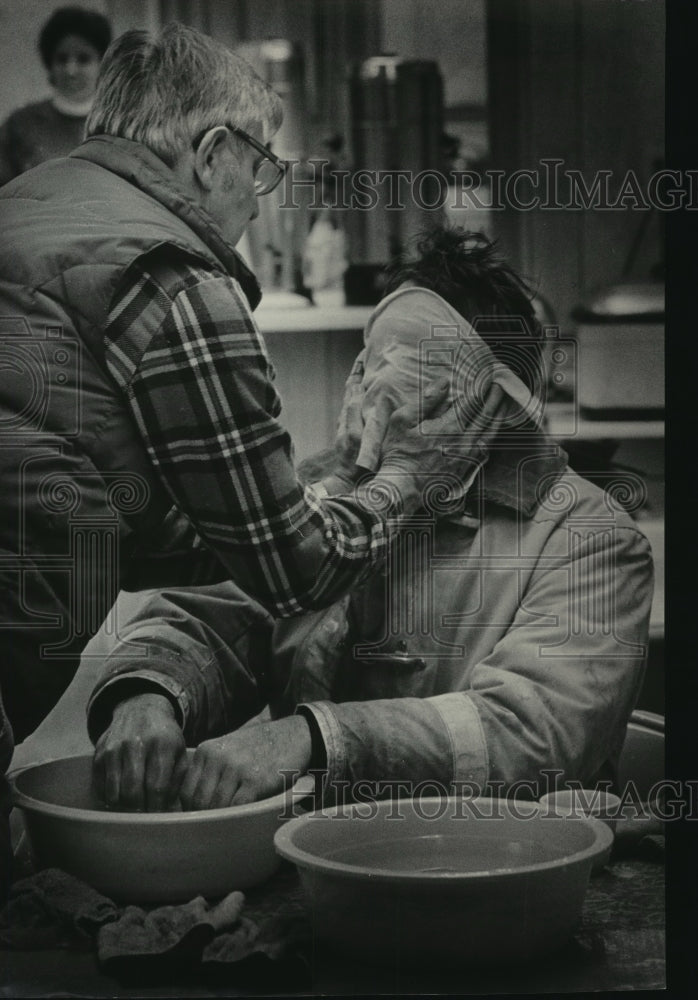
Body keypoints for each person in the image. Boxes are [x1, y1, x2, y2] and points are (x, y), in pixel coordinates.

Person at [0, 24, 475, 758]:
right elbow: (297, 572)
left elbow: (124, 527)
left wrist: (307, 496)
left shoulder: (26, 203)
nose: (258, 206)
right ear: (212, 151)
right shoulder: (173, 278)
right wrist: (407, 479)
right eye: (260, 169)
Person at [80, 228, 654, 812]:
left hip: (508, 880)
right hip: (320, 868)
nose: (364, 392)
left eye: (406, 372)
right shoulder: (323, 501)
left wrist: (313, 739)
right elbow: (211, 619)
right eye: (366, 362)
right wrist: (148, 696)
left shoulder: (591, 541)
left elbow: (533, 734)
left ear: (491, 406)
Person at [0, 6, 112, 185]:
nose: (71, 71)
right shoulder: (20, 126)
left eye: (83, 59)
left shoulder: (119, 125)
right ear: (49, 64)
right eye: (61, 59)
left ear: (102, 64)